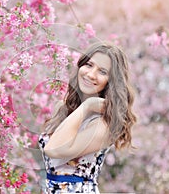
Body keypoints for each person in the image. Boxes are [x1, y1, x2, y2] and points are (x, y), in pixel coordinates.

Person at [38, 42, 137, 193]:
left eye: (102, 72)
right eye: (89, 65)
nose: (91, 74)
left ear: (111, 82)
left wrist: (88, 106)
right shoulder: (63, 109)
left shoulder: (104, 125)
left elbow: (53, 149)